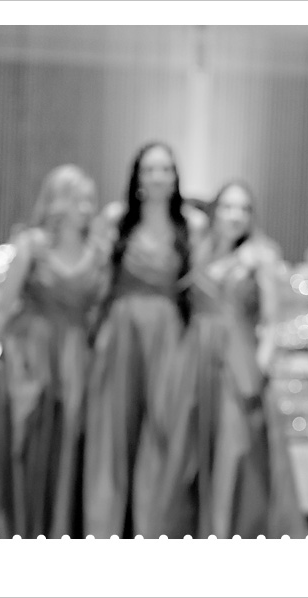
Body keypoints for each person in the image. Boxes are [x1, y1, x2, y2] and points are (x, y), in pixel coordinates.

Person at [157, 181, 305, 539]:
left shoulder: (261, 255)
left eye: (243, 208)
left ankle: (230, 532)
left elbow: (271, 321)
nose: (235, 215)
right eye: (227, 207)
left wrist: (261, 365)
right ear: (214, 211)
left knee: (235, 447)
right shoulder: (197, 249)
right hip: (194, 357)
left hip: (238, 359)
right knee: (187, 449)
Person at [0, 164, 108, 538]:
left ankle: (57, 526)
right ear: (57, 202)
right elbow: (3, 304)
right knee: (22, 437)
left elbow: (100, 312)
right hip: (28, 355)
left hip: (77, 358)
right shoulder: (32, 244)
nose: (87, 207)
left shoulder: (99, 252)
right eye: (78, 198)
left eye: (90, 199)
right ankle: (12, 526)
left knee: (67, 442)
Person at [83, 141, 197, 538]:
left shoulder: (191, 225)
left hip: (168, 336)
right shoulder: (115, 220)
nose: (158, 176)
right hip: (120, 333)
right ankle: (107, 524)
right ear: (137, 176)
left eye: (166, 168)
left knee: (162, 427)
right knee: (113, 428)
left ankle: (154, 526)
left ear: (175, 176)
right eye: (150, 169)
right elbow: (97, 280)